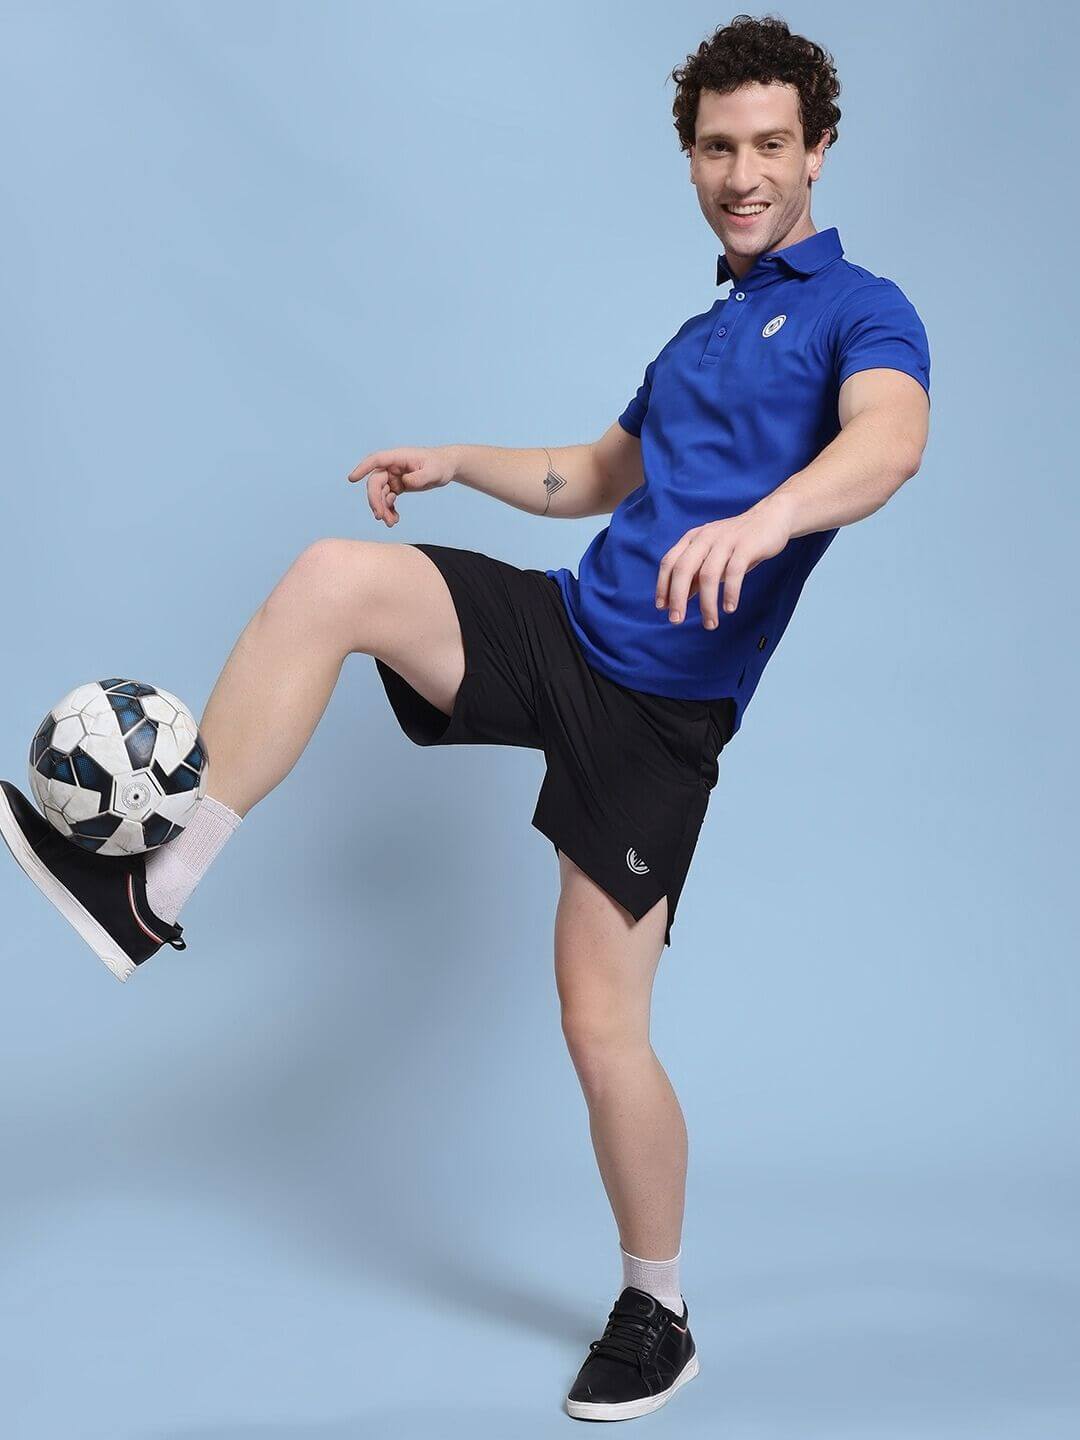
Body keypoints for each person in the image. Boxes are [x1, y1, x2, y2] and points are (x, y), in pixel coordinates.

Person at [0, 15, 930, 1423]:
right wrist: (459, 461)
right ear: (691, 155)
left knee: (598, 1026)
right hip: (568, 630)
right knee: (334, 580)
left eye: (770, 147)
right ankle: (151, 886)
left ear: (818, 152)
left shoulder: (866, 308)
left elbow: (890, 440)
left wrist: (771, 516)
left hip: (661, 717)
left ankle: (657, 1310)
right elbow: (595, 472)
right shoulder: (703, 330)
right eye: (719, 147)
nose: (744, 173)